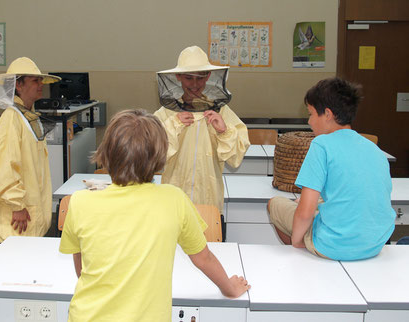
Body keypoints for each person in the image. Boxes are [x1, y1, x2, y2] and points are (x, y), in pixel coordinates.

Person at [59, 109, 250, 321]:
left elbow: (83, 269)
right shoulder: (174, 199)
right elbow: (203, 258)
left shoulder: (80, 202)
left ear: (105, 154)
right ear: (160, 156)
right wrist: (229, 288)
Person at [267, 77, 395, 261]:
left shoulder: (321, 145)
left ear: (327, 114)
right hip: (374, 245)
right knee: (313, 201)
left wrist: (296, 240)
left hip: (333, 246)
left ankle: (303, 254)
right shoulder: (373, 148)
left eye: (311, 114)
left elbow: (305, 213)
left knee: (275, 203)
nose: (309, 121)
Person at [154, 45, 250, 212]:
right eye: (189, 78)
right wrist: (172, 125)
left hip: (209, 199)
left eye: (200, 77)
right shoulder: (166, 113)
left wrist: (224, 131)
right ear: (178, 77)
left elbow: (235, 158)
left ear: (209, 76)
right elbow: (152, 155)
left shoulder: (222, 112)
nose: (195, 84)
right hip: (173, 199)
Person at [0, 57, 60, 243]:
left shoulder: (26, 116)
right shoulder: (11, 119)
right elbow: (4, 168)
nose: (41, 84)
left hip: (29, 212)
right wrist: (16, 205)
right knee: (18, 266)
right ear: (18, 85)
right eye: (35, 80)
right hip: (19, 217)